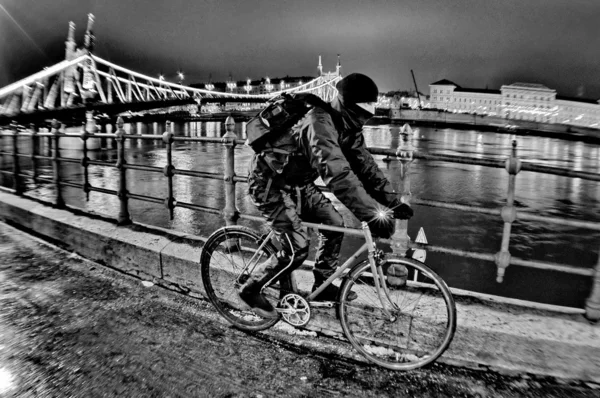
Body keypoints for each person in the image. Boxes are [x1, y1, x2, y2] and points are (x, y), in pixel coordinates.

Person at [240, 73, 414, 318]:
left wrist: (392, 202)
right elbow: (338, 176)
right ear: (346, 105)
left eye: (369, 112)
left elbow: (365, 167)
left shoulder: (348, 127)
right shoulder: (318, 122)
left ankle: (322, 286)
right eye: (362, 112)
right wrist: (371, 216)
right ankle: (251, 289)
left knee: (334, 224)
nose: (365, 118)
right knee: (297, 249)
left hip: (299, 184)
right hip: (270, 185)